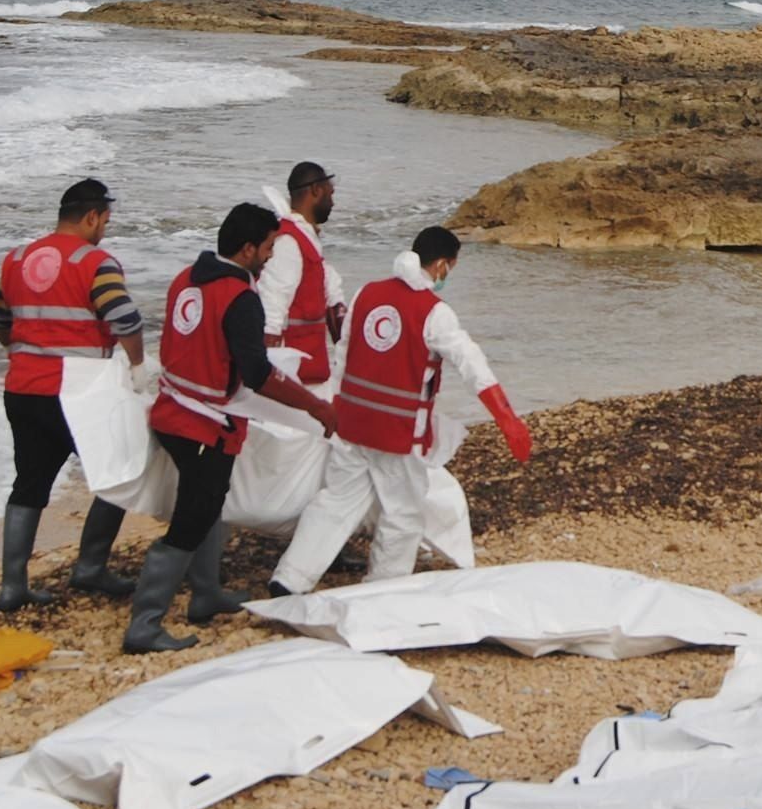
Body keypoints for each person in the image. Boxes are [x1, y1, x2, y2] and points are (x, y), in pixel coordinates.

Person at [269, 226, 533, 597]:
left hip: (353, 423)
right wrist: (508, 420)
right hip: (399, 431)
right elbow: (472, 365)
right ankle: (384, 587)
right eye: (450, 268)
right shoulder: (434, 313)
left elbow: (343, 353)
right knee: (403, 513)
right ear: (441, 265)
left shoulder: (367, 294)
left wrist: (336, 406)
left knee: (333, 503)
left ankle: (290, 579)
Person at [127, 203, 338, 653]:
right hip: (203, 424)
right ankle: (143, 625)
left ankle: (206, 594)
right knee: (190, 520)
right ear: (246, 250)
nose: (268, 259)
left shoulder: (186, 278)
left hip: (171, 410)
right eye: (266, 249)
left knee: (210, 505)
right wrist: (315, 407)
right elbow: (258, 373)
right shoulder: (241, 299)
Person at [0, 178, 146, 611]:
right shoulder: (95, 263)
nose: (104, 230)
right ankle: (90, 567)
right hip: (77, 394)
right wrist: (137, 366)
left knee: (30, 483)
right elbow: (126, 321)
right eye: (105, 221)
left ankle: (12, 586)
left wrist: (17, 349)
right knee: (115, 475)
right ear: (92, 216)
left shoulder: (17, 259)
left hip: (22, 388)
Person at [260, 161, 347, 386]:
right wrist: (266, 380)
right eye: (330, 194)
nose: (333, 202)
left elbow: (332, 301)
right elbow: (272, 309)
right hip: (292, 377)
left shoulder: (305, 239)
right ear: (316, 190)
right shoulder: (288, 242)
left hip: (310, 373)